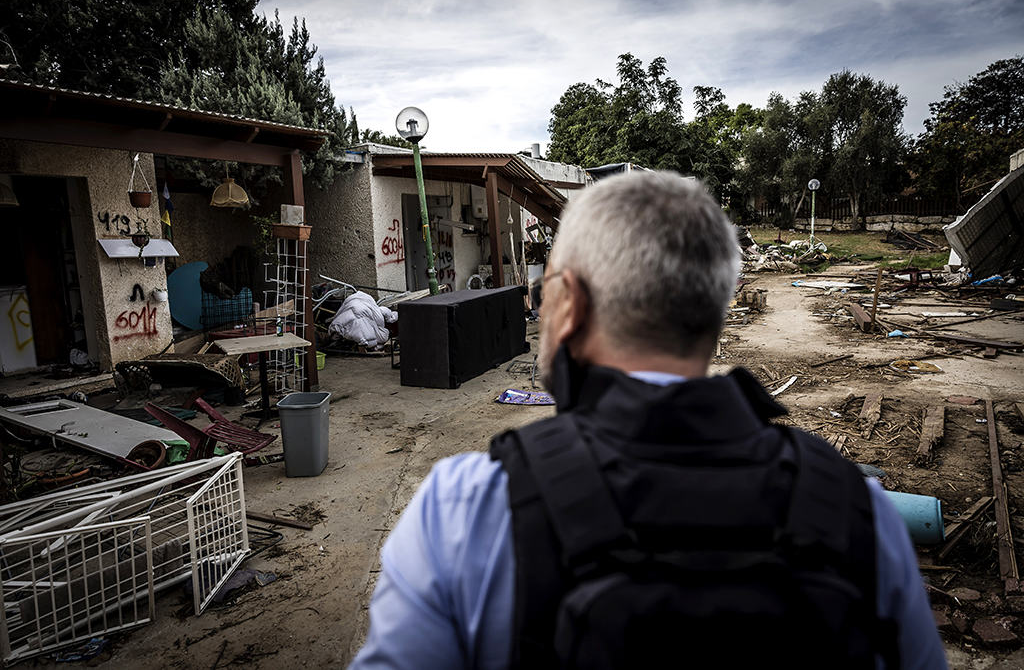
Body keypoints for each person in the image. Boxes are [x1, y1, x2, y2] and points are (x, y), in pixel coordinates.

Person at [351, 171, 946, 669]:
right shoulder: (860, 515)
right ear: (714, 313)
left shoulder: (463, 511)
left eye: (543, 296)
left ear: (571, 303)